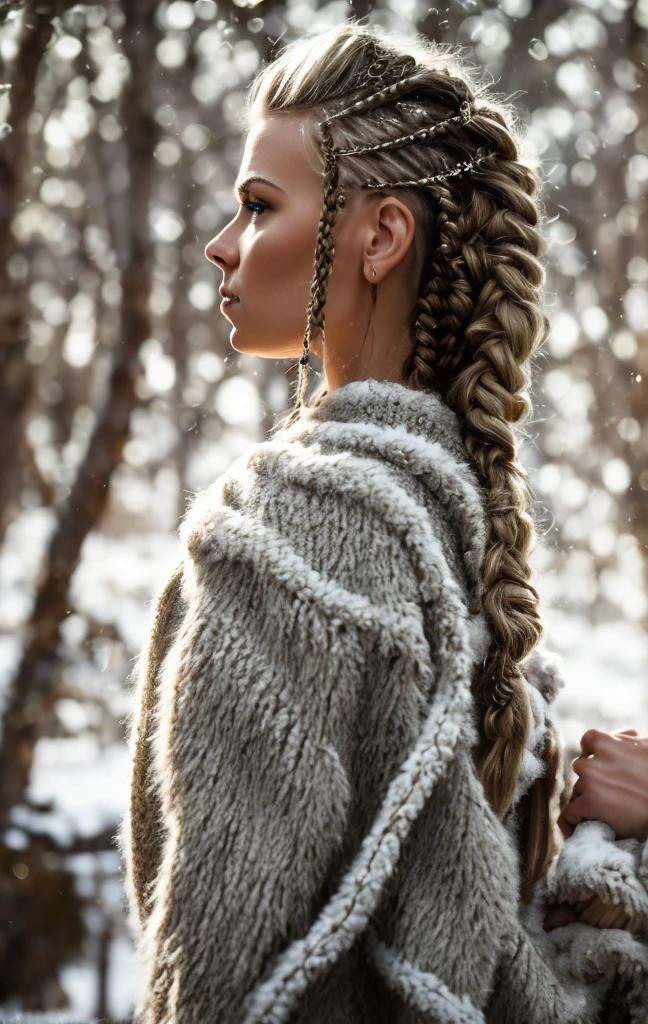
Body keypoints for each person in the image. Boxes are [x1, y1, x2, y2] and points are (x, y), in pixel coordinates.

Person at [116, 21, 648, 1024]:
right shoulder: (463, 528)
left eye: (259, 204)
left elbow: (218, 984)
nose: (220, 244)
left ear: (380, 236)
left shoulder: (277, 545)